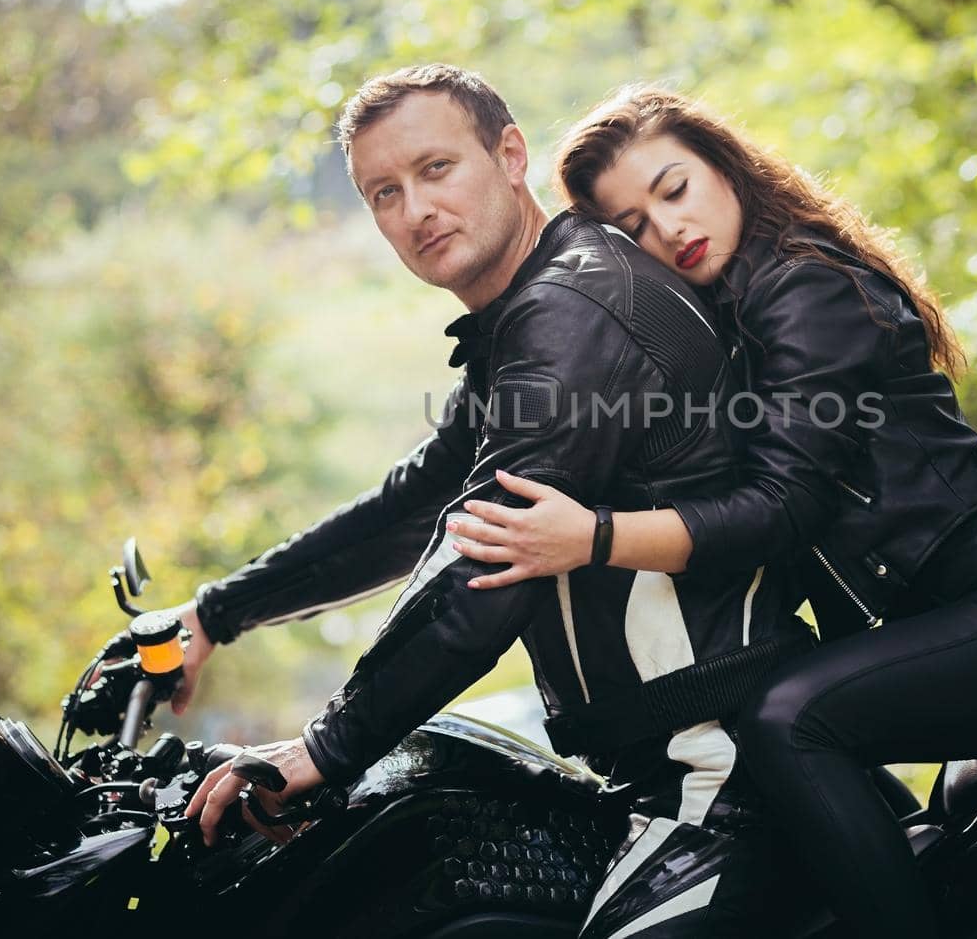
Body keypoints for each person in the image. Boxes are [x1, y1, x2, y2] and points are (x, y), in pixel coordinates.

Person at [450, 87, 977, 937]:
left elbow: (784, 505)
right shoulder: (715, 322)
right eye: (634, 226)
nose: (668, 229)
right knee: (832, 755)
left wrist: (591, 539)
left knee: (789, 718)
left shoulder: (801, 286)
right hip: (975, 609)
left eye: (675, 188)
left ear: (725, 166)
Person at [175, 65, 818, 936]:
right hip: (668, 767)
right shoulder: (538, 305)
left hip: (720, 777)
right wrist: (217, 612)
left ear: (510, 154)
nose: (415, 211)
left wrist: (325, 748)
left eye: (436, 169)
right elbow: (420, 506)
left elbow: (486, 564)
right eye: (384, 193)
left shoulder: (569, 314)